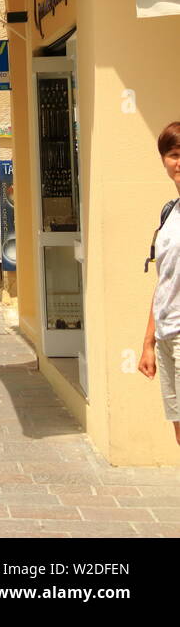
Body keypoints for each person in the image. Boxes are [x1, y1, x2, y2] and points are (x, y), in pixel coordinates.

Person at [138, 122, 180, 445]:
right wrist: (148, 343)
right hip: (167, 335)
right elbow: (164, 280)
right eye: (173, 155)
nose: (179, 162)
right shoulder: (170, 213)